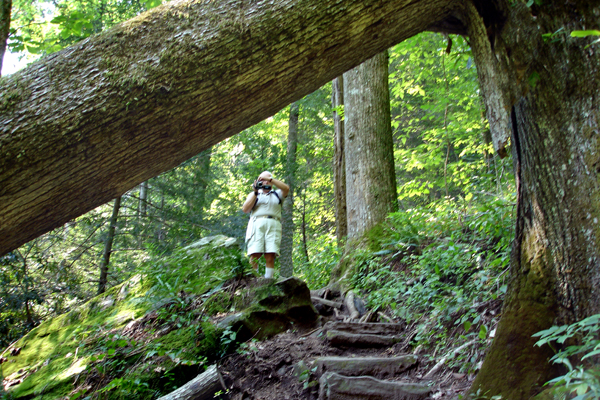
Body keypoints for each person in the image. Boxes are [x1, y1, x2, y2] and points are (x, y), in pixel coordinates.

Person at [242, 171, 289, 278]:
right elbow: (245, 209)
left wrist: (271, 179)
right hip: (256, 224)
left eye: (267, 180)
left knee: (270, 255)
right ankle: (253, 281)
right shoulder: (254, 194)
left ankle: (269, 281)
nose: (265, 182)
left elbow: (286, 188)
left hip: (273, 224)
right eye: (262, 180)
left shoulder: (278, 194)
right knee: (254, 254)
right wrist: (255, 192)